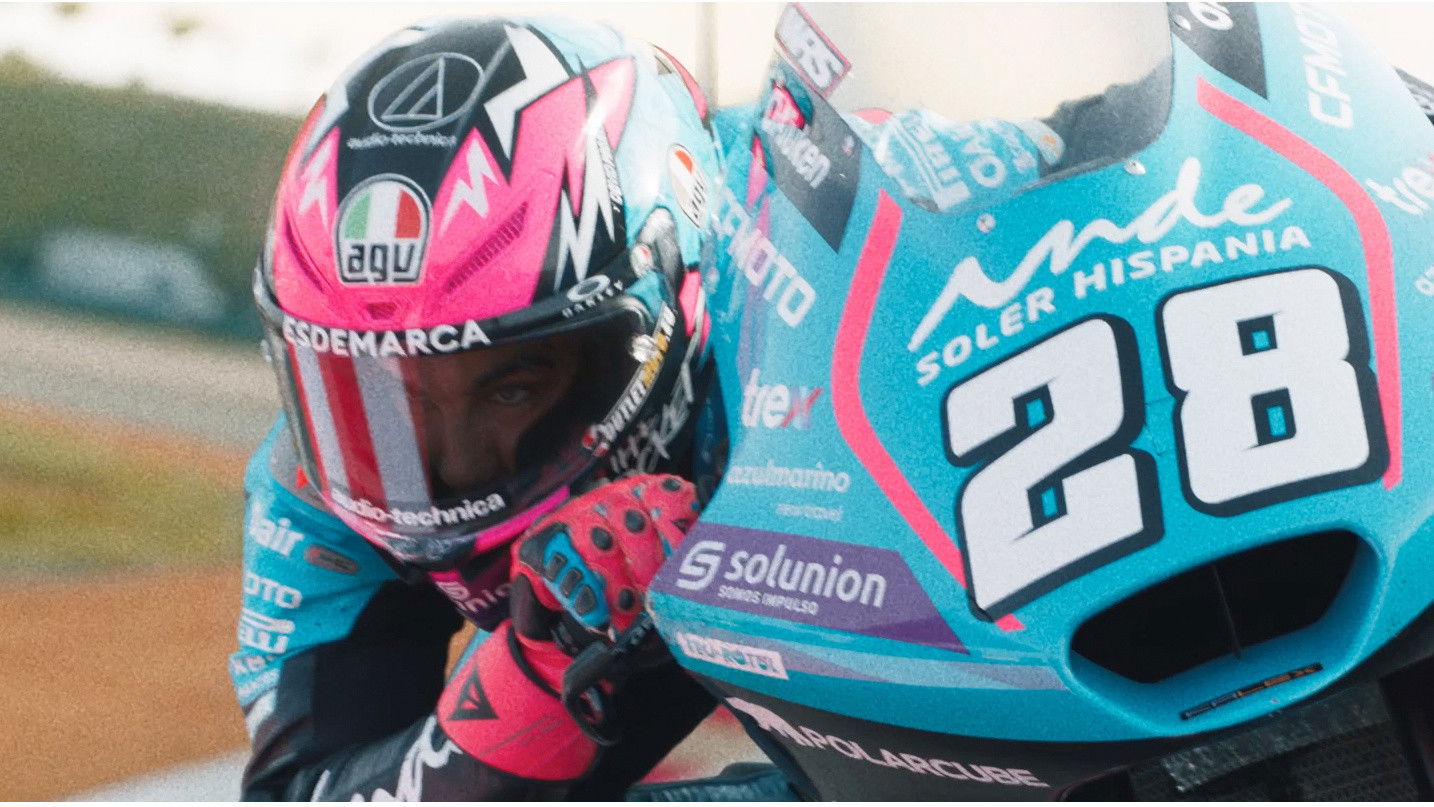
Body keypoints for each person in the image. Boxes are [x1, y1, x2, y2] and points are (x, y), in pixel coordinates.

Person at [230, 16, 727, 800]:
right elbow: (299, 790)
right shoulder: (319, 484)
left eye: (512, 387)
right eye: (385, 393)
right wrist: (535, 678)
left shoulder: (794, 303)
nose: (451, 467)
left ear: (675, 297)